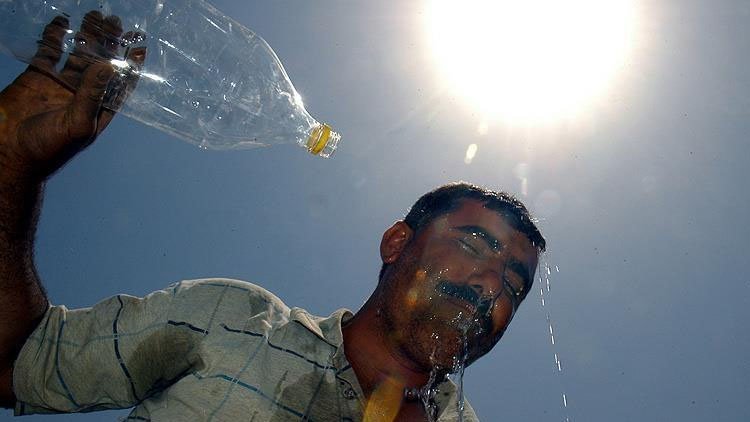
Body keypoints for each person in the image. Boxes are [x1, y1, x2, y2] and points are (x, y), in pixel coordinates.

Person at [0, 13, 545, 422]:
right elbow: (17, 365)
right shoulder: (228, 324)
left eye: (515, 285)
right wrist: (12, 162)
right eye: (474, 245)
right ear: (397, 242)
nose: (491, 284)